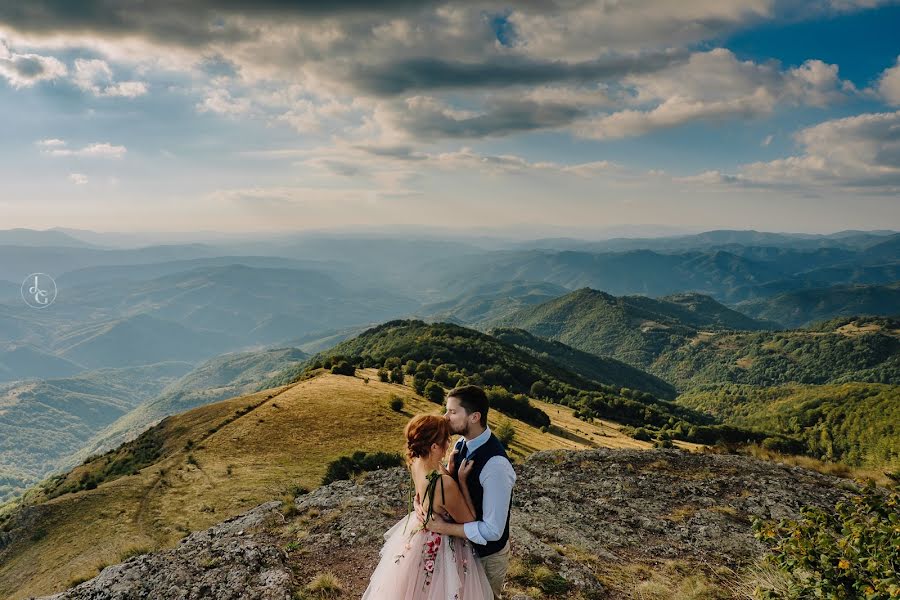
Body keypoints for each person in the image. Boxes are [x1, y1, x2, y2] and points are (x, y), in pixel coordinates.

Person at [362, 414, 494, 599]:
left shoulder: (417, 462)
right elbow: (469, 520)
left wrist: (449, 470)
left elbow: (422, 495)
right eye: (446, 440)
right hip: (440, 545)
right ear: (433, 446)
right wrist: (461, 481)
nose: (449, 444)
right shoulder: (443, 484)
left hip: (418, 536)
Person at [423, 385, 516, 599]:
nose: (445, 417)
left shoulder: (496, 466)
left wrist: (443, 527)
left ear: (475, 417)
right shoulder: (462, 443)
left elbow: (493, 531)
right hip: (462, 549)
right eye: (447, 410)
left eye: (453, 412)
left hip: (486, 557)